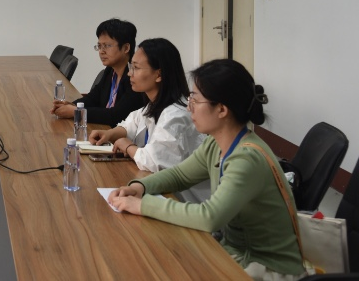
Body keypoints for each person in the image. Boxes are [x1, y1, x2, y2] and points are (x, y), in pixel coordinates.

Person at [108, 59, 304, 280]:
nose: (189, 107)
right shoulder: (216, 143)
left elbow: (210, 217)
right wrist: (139, 187)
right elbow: (180, 175)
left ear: (221, 109)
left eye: (195, 99)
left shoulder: (247, 158)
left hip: (267, 268)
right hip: (233, 252)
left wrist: (142, 205)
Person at [88, 38, 205, 173]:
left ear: (159, 74)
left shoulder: (176, 114)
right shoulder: (155, 104)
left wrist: (128, 147)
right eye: (131, 67)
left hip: (177, 187)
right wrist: (109, 134)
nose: (129, 73)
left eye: (136, 68)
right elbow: (132, 123)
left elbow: (156, 162)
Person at [51, 18, 143, 127]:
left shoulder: (135, 78)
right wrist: (71, 105)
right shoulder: (110, 71)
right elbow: (93, 98)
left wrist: (76, 112)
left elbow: (116, 116)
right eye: (99, 46)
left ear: (126, 48)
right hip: (104, 128)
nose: (101, 51)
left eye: (107, 46)